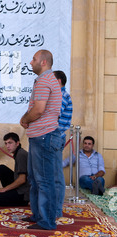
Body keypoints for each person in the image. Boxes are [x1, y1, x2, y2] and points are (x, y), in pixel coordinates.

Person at [20, 50, 63, 230]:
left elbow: (38, 110)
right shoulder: (45, 79)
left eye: (34, 59)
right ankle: (38, 215)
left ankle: (47, 221)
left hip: (44, 136)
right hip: (40, 136)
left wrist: (24, 120)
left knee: (44, 180)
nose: (31, 62)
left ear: (43, 62)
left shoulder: (45, 80)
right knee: (35, 179)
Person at [0, 132, 30, 207]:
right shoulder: (18, 153)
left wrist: (4, 189)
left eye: (10, 143)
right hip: (21, 188)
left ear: (17, 143)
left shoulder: (21, 154)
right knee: (2, 169)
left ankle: (24, 202)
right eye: (6, 143)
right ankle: (10, 193)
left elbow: (22, 179)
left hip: (24, 193)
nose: (7, 146)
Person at [53, 70, 73, 218]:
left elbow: (54, 114)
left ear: (58, 81)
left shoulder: (61, 96)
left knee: (56, 176)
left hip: (54, 137)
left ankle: (56, 209)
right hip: (53, 137)